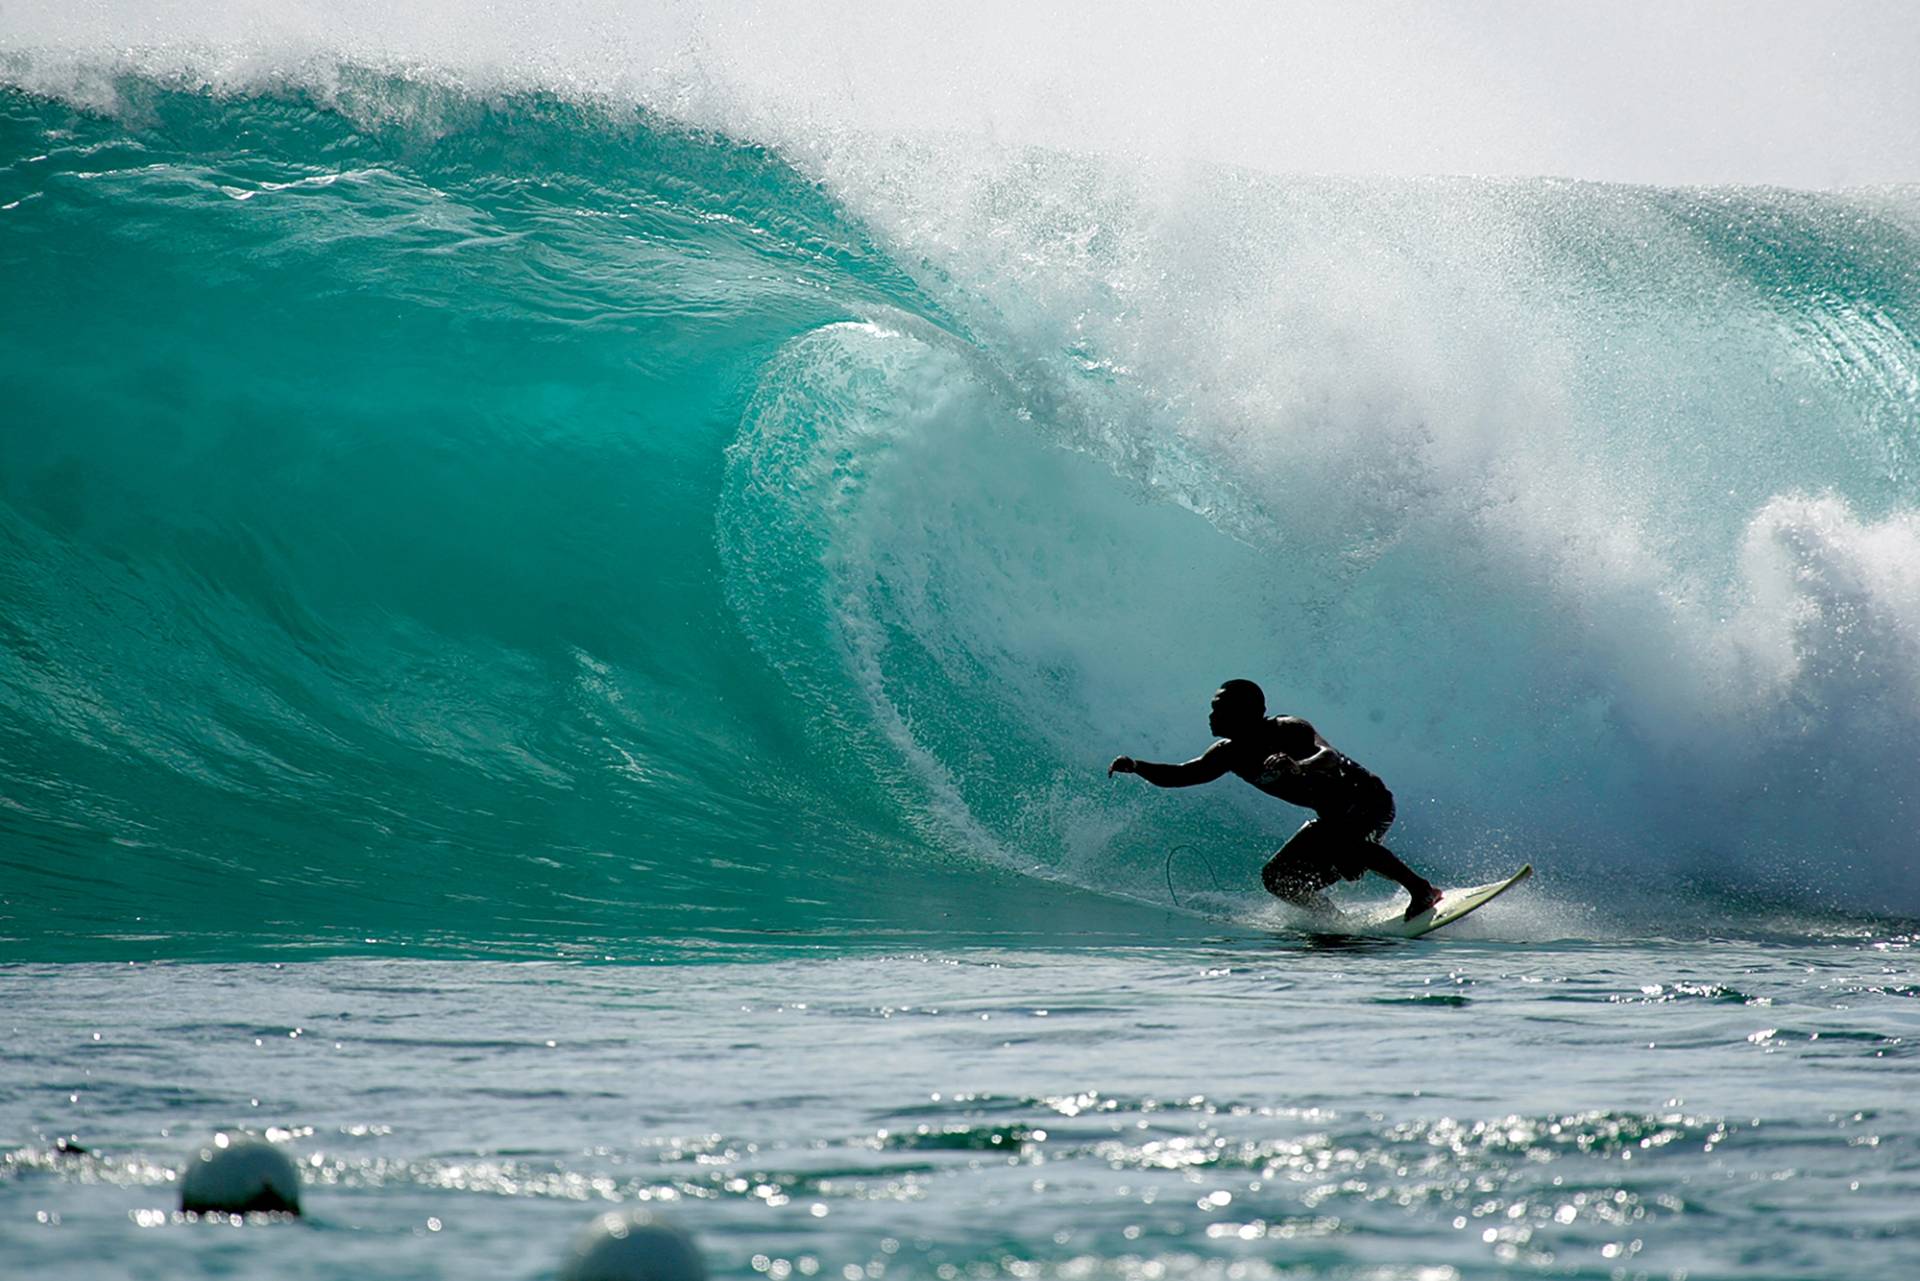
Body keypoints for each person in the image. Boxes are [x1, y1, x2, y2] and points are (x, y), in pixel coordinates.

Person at [1109, 679, 1442, 920]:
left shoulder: (1289, 730)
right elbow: (1182, 774)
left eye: (1219, 710)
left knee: (1347, 844)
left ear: (1247, 712)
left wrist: (1298, 765)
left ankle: (1421, 890)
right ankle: (1333, 921)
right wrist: (1137, 766)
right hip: (1333, 820)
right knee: (1277, 878)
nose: (1212, 716)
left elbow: (1329, 757)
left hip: (1370, 803)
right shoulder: (1229, 754)